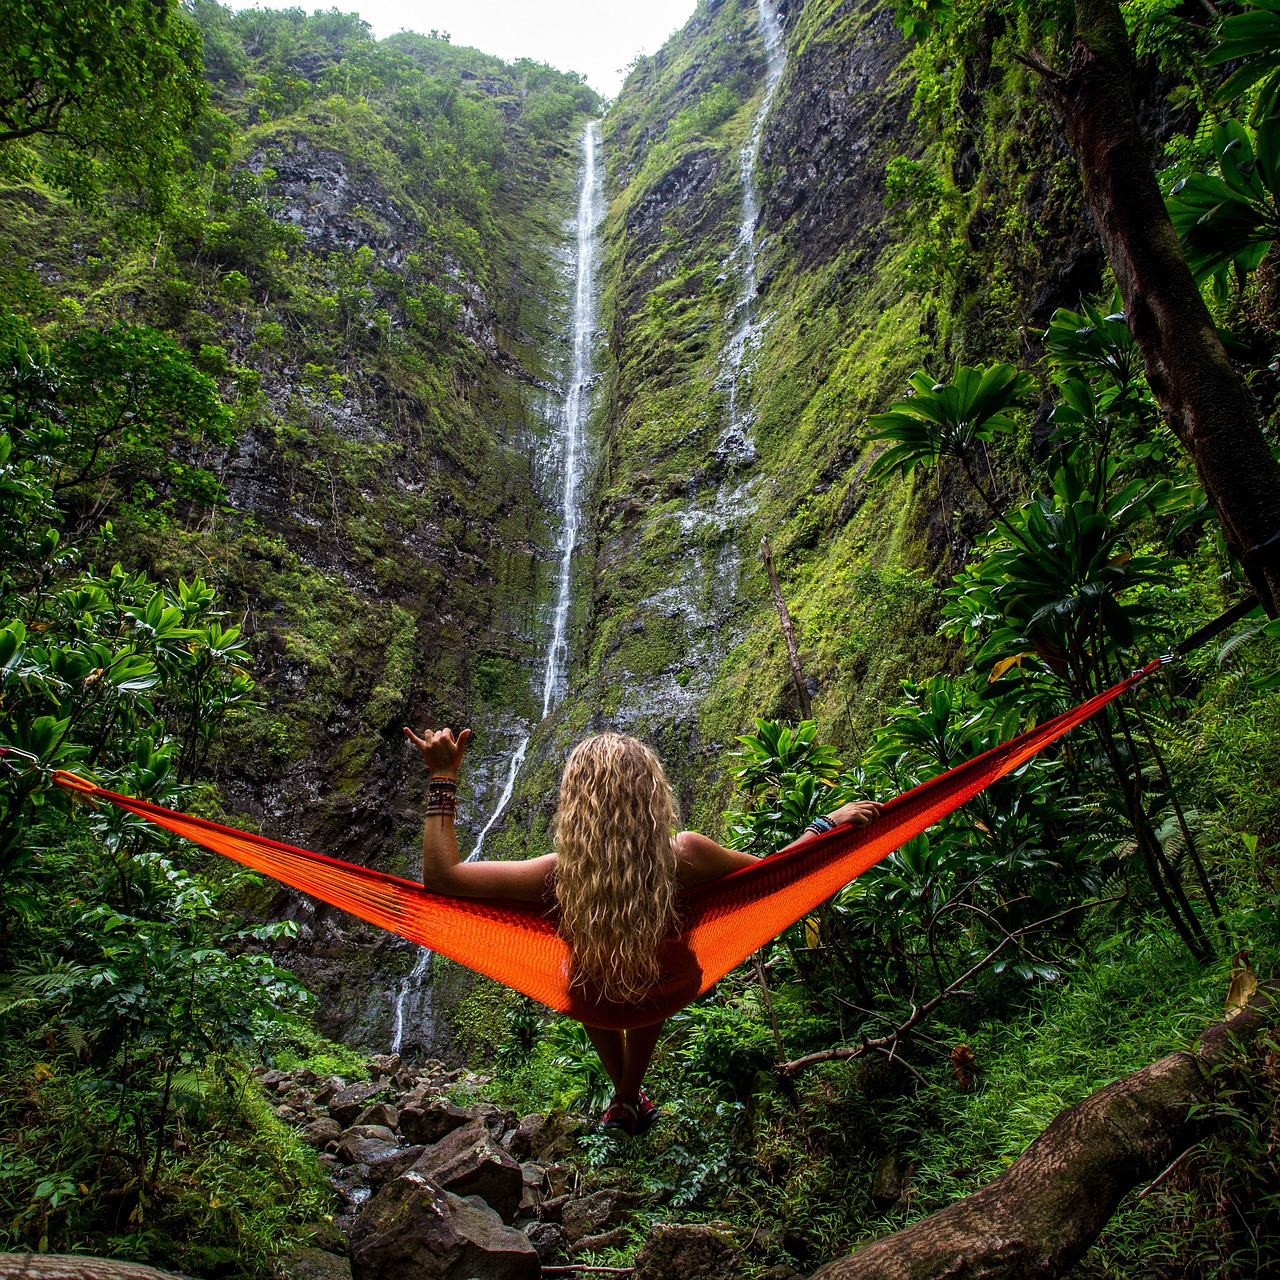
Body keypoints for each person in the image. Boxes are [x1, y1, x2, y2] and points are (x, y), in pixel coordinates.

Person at [403, 724, 882, 1137]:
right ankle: (629, 1099)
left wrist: (443, 777)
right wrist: (826, 824)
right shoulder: (686, 855)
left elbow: (443, 878)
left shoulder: (555, 875)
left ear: (575, 806)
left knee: (587, 964)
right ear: (651, 794)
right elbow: (774, 873)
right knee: (650, 954)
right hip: (669, 988)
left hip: (593, 999)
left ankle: (625, 1096)